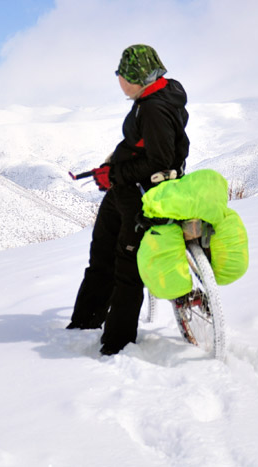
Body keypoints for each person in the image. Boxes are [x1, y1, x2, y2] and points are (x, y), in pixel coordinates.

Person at [67, 44, 190, 355]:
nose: (119, 80)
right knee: (101, 253)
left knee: (126, 267)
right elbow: (141, 145)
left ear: (136, 77)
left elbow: (159, 160)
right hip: (124, 189)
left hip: (140, 196)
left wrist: (114, 175)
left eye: (121, 74)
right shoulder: (152, 97)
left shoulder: (153, 107)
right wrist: (112, 167)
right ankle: (85, 321)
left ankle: (117, 344)